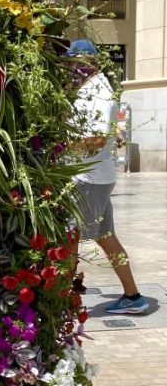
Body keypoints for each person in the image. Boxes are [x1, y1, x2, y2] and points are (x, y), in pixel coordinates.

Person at [68, 40, 147, 315]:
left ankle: (60, 302)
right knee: (106, 237)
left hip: (88, 179)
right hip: (94, 178)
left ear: (88, 62)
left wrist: (60, 147)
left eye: (73, 62)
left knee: (69, 239)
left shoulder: (99, 93)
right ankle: (133, 297)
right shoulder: (89, 87)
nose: (70, 67)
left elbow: (98, 139)